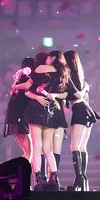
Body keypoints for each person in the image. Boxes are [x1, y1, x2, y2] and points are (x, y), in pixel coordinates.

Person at [23, 50, 69, 191]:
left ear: (53, 58)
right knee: (48, 149)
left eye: (49, 56)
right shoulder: (62, 72)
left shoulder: (39, 69)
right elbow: (65, 93)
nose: (47, 58)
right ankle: (54, 179)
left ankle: (38, 179)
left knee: (37, 148)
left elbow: (27, 88)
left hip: (37, 110)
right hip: (51, 112)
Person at [64, 50, 100, 191]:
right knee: (82, 147)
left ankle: (79, 178)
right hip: (87, 111)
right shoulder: (81, 77)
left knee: (74, 147)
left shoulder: (70, 77)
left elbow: (77, 95)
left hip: (80, 110)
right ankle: (82, 178)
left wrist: (83, 89)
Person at [3, 57, 35, 161]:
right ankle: (21, 174)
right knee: (29, 151)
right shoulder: (27, 81)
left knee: (29, 150)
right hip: (19, 119)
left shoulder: (19, 80)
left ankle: (25, 173)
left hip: (15, 119)